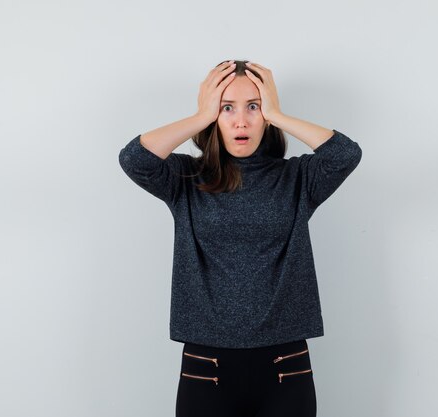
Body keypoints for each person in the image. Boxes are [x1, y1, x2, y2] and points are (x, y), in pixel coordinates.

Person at [118, 60, 362, 417]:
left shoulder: (297, 179)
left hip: (285, 366)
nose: (241, 121)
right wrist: (200, 116)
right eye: (226, 107)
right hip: (207, 366)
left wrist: (277, 112)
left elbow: (346, 155)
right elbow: (134, 159)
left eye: (254, 106)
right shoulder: (186, 178)